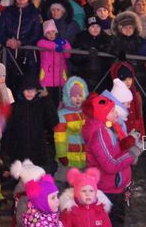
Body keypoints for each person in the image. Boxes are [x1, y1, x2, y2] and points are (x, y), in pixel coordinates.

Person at [82, 93, 137, 227]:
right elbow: (110, 164)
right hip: (109, 190)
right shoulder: (100, 133)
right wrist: (132, 153)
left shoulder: (107, 128)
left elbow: (114, 150)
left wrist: (129, 143)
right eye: (112, 111)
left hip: (113, 188)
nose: (116, 113)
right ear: (102, 114)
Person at [54, 77, 87, 171]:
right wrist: (62, 155)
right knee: (65, 178)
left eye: (80, 95)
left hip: (83, 158)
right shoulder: (62, 114)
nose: (78, 98)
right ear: (68, 96)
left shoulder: (85, 112)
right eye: (74, 96)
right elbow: (59, 137)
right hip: (68, 159)